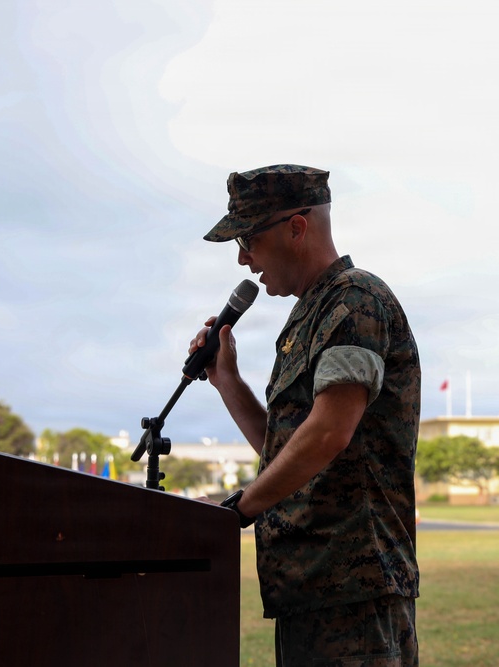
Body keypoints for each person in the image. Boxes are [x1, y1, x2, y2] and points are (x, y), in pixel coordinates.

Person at [190, 164, 421, 666]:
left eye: (249, 239)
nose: (243, 258)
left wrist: (239, 509)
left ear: (297, 227)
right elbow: (288, 450)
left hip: (355, 591)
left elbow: (328, 433)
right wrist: (227, 381)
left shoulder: (354, 299)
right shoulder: (310, 314)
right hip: (312, 587)